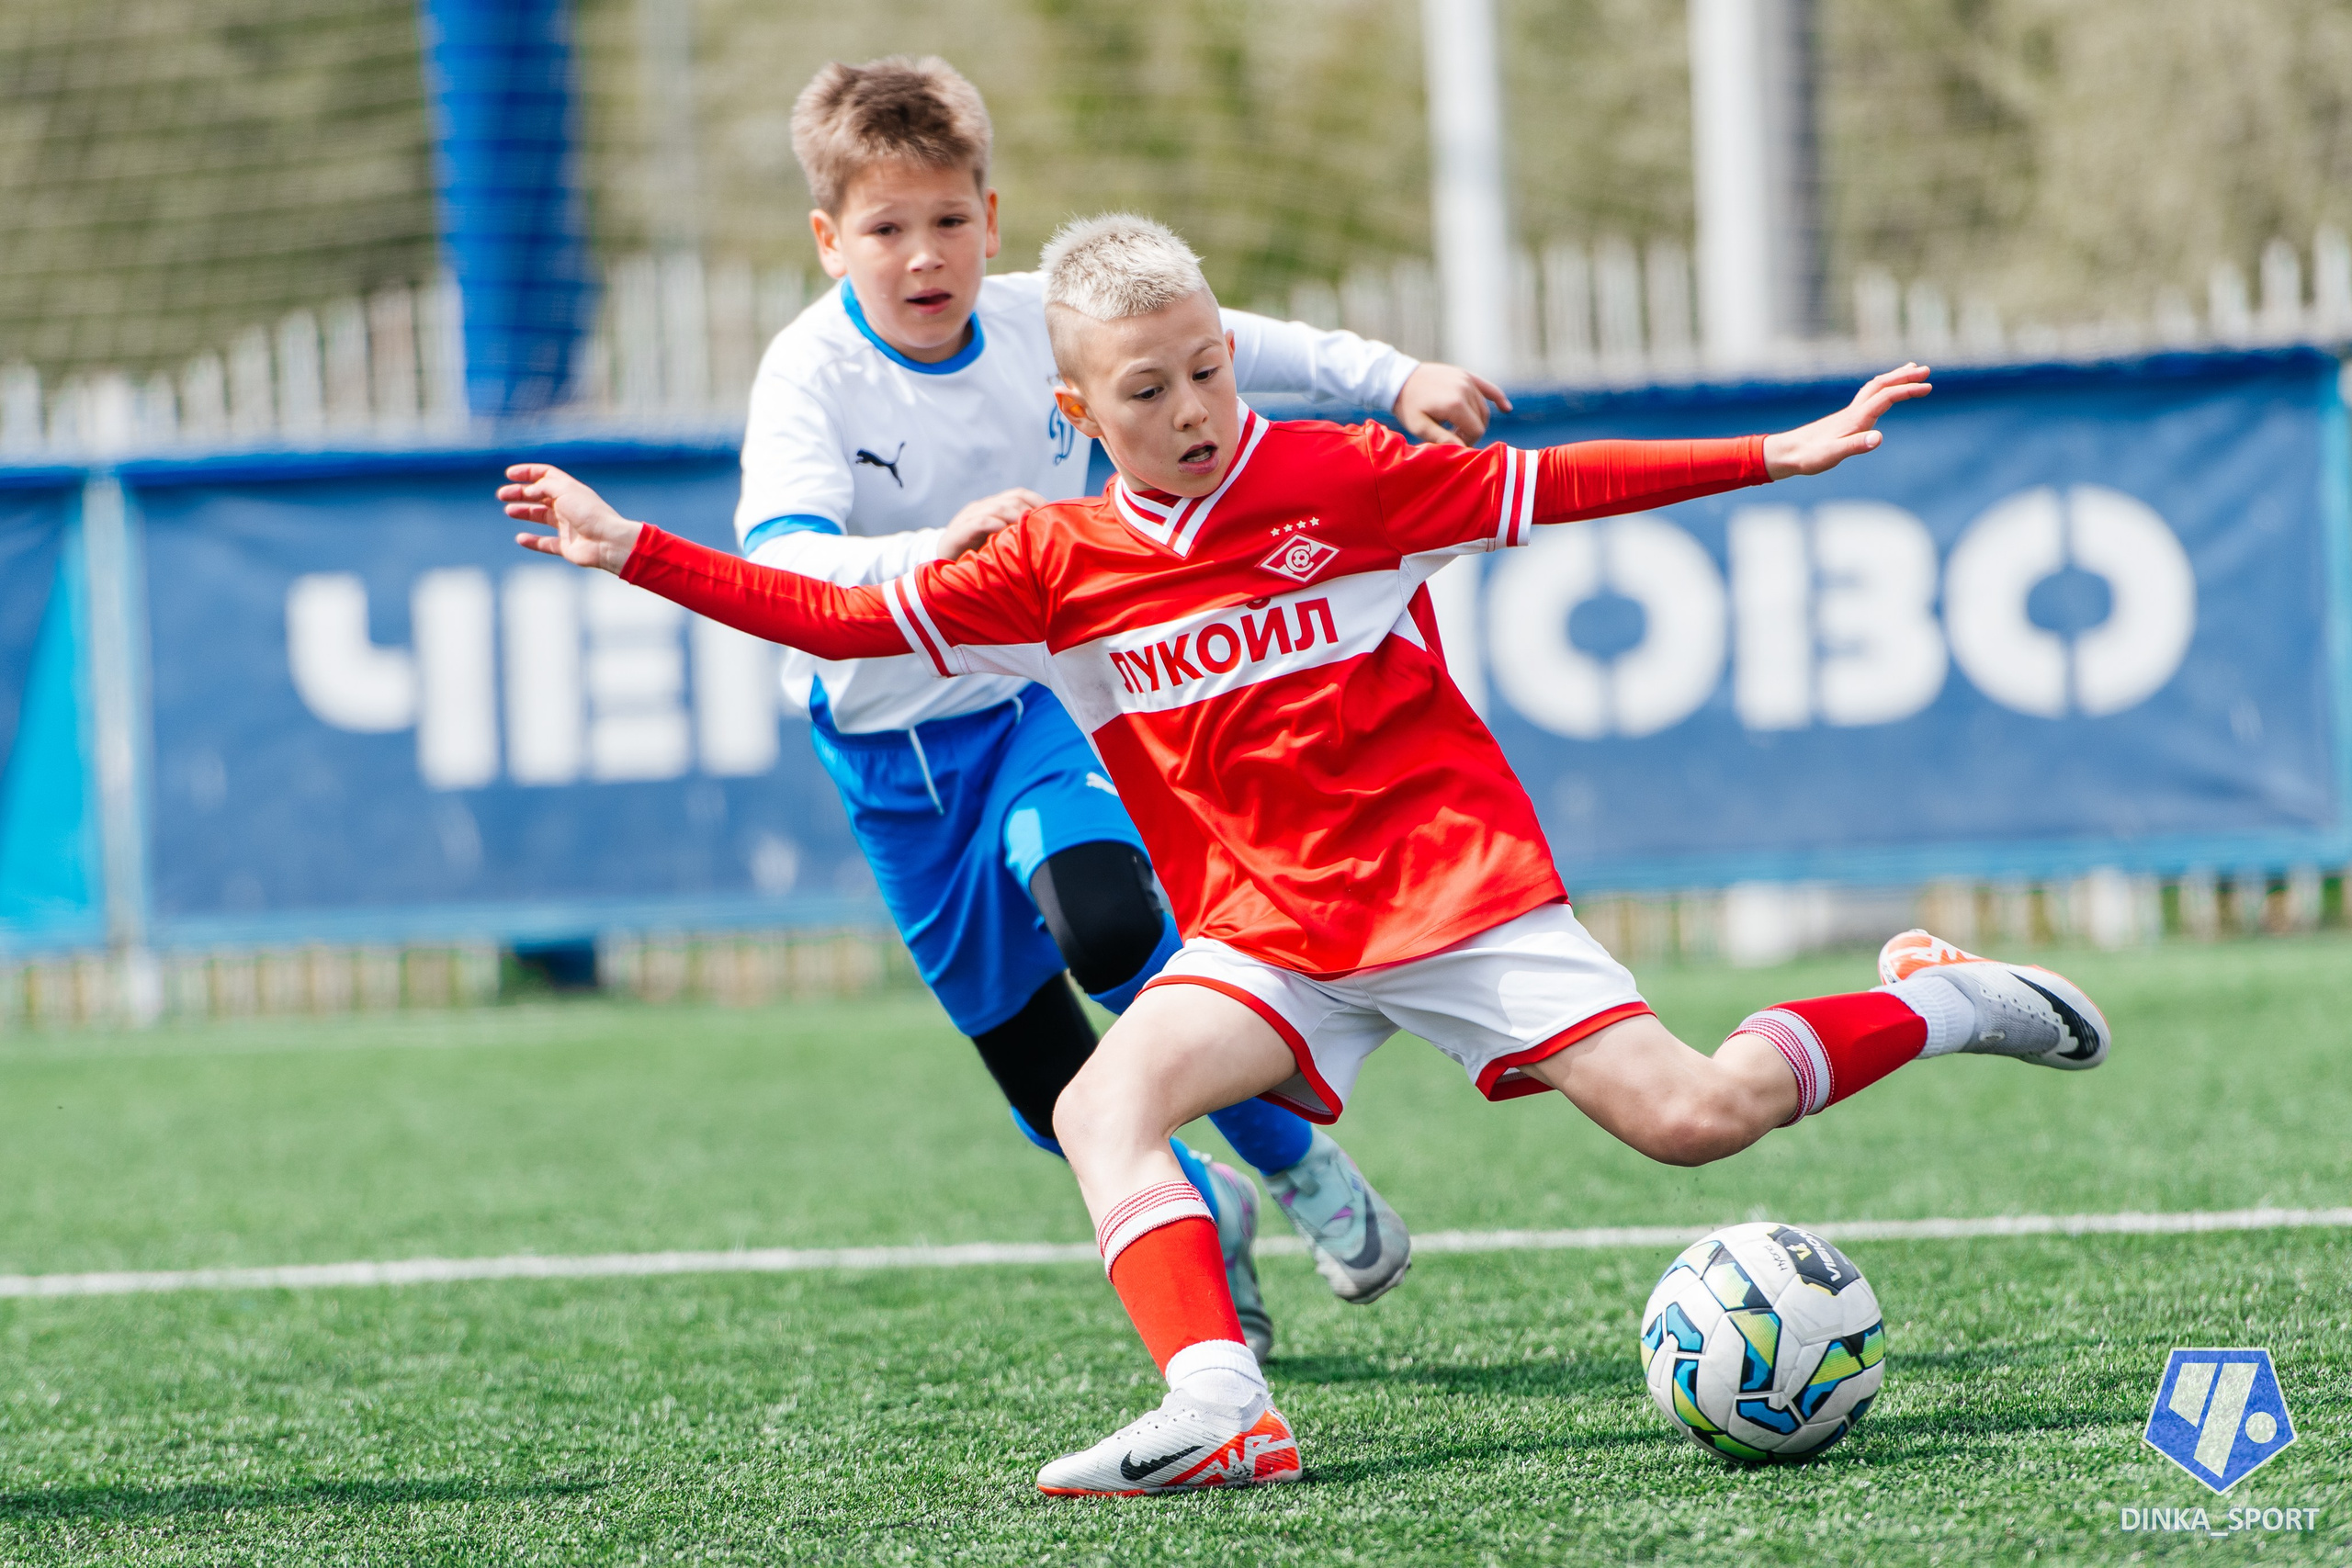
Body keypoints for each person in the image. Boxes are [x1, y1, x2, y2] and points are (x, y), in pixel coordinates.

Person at [495, 214, 2112, 1499]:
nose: (1194, 406)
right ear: (1076, 414)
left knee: (1697, 1119)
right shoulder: (1048, 563)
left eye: (1207, 368)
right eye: (1148, 390)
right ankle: (1221, 1406)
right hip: (1272, 927)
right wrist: (628, 545)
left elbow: (1546, 486)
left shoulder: (1331, 478)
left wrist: (1778, 451)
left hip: (1451, 889)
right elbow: (836, 613)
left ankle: (1951, 998)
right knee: (1097, 1098)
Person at [732, 57, 1500, 1350]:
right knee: (1045, 1087)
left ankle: (1298, 1168)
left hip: (1041, 699)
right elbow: (783, 565)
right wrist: (940, 546)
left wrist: (1389, 375)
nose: (925, 257)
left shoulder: (1046, 318)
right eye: (886, 228)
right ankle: (1198, 1204)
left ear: (992, 211)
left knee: (1102, 917)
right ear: (827, 240)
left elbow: (1227, 339)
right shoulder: (808, 377)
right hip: (887, 757)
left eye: (950, 220)